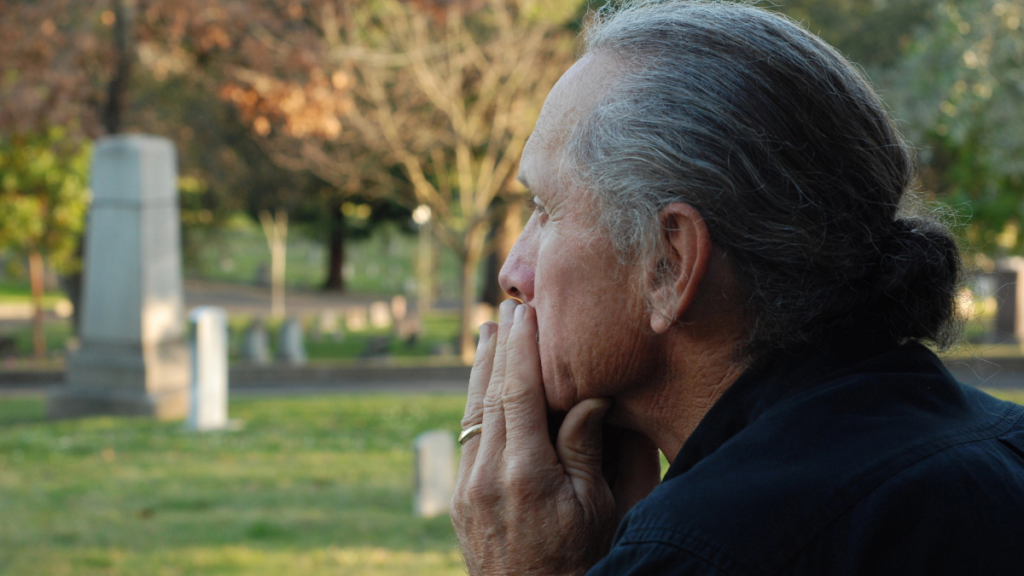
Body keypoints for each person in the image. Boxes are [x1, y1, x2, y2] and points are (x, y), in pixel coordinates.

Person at [450, 1, 1024, 575]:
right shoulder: (1002, 445)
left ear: (669, 266)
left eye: (546, 210)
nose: (511, 275)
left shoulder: (710, 548)